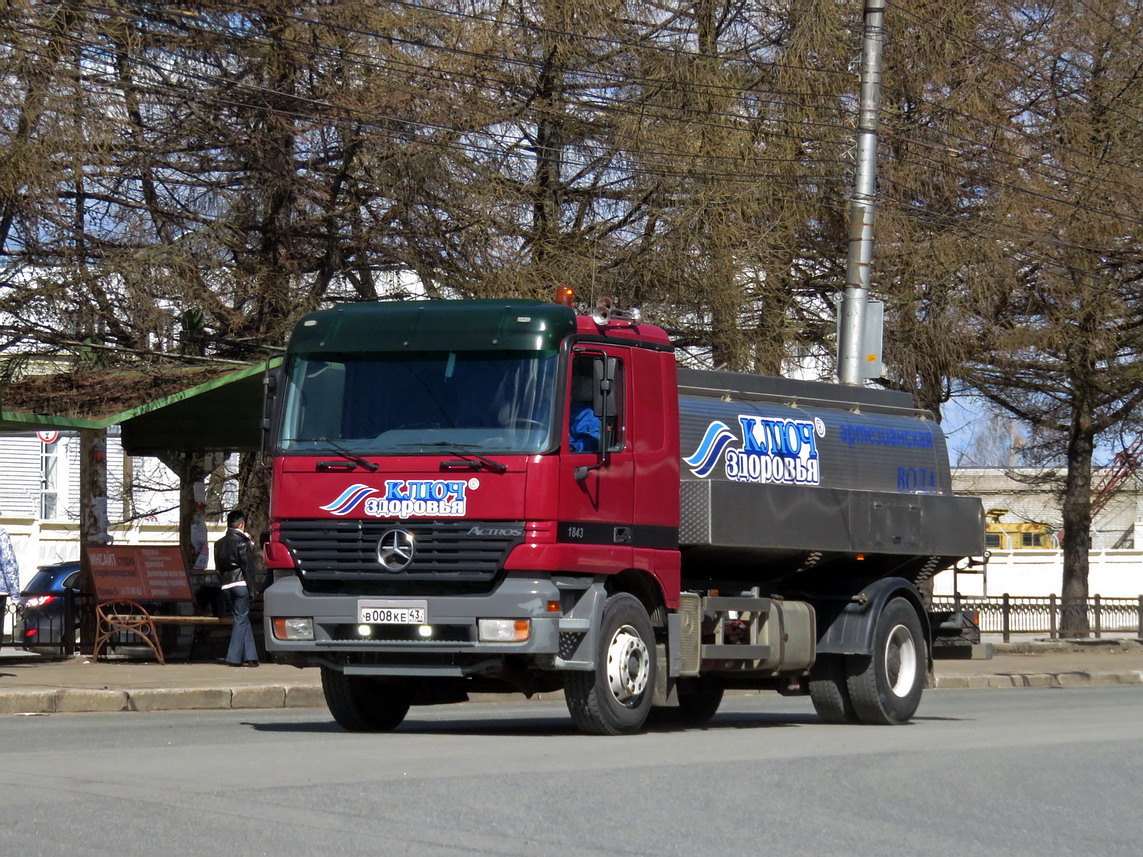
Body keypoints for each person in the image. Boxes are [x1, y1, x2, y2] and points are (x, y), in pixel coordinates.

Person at [214, 510, 259, 667]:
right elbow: (248, 568)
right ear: (241, 525)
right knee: (241, 620)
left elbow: (218, 568)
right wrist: (253, 589)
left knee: (242, 618)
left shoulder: (219, 544)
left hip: (226, 585)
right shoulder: (243, 542)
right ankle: (233, 657)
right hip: (241, 584)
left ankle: (251, 657)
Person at [567, 371, 601, 454]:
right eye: (547, 387)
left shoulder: (585, 414)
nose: (548, 392)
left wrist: (572, 447)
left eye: (551, 386)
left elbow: (591, 444)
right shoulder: (541, 410)